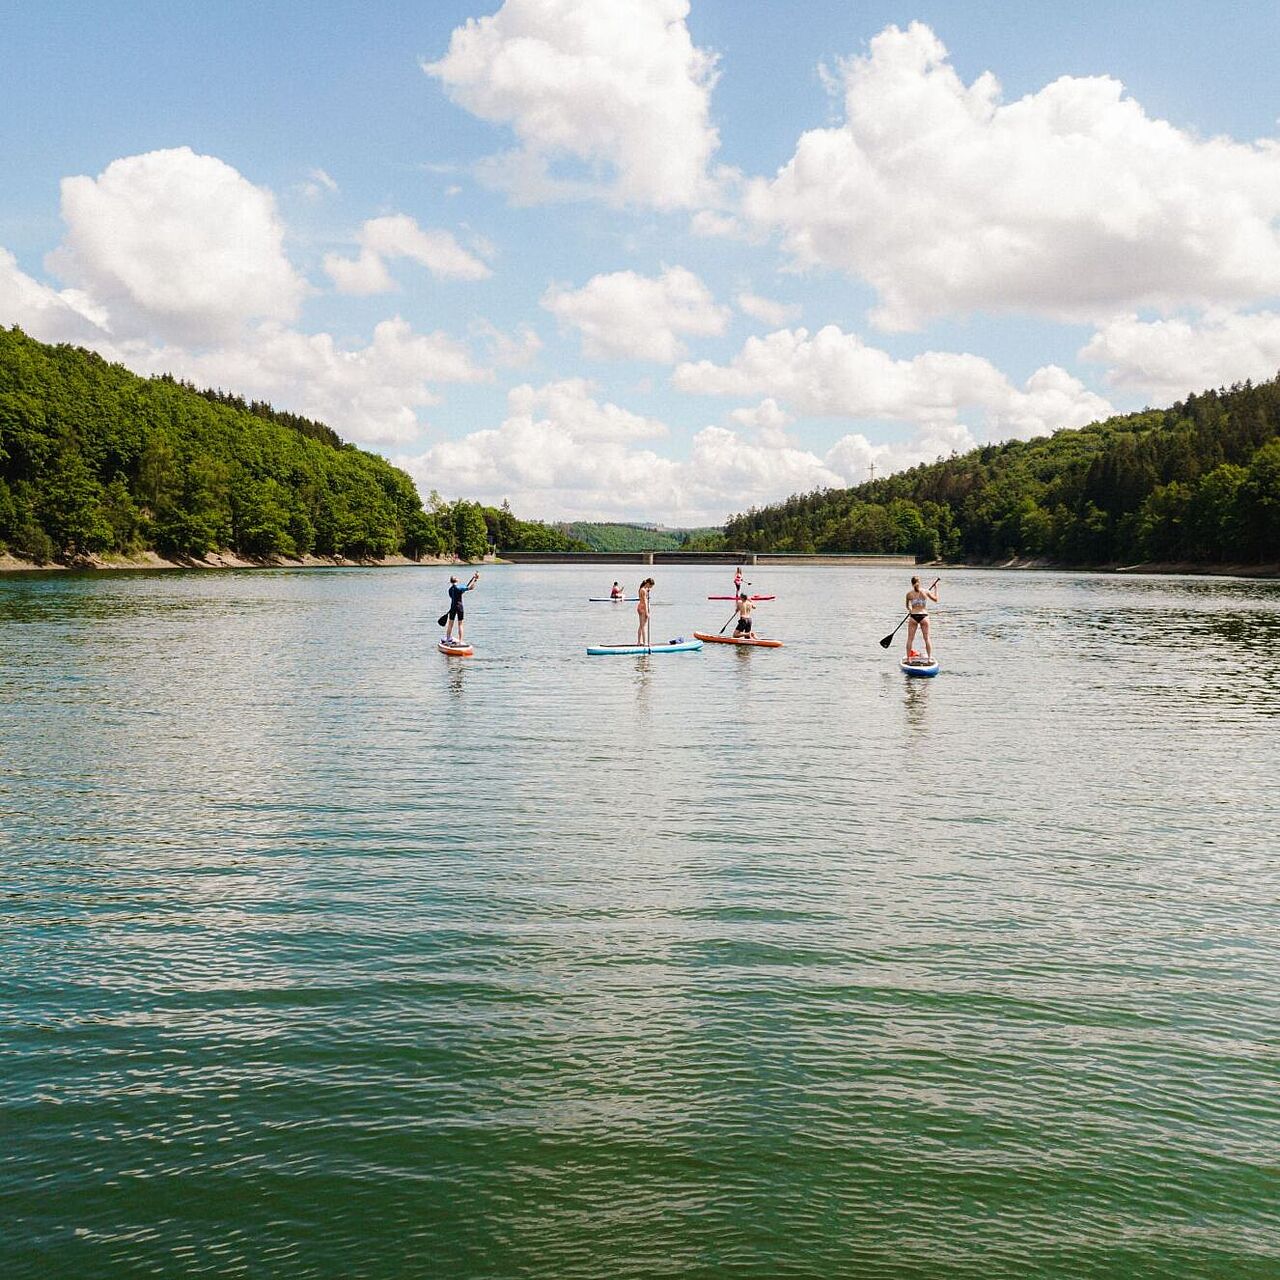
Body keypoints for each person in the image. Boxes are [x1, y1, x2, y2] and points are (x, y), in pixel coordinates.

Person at [904, 575, 938, 661]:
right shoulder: (926, 591)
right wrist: (935, 588)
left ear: (912, 584)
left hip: (913, 616)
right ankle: (929, 658)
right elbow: (936, 599)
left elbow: (908, 607)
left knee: (910, 639)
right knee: (926, 638)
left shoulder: (908, 594)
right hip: (924, 616)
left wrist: (911, 610)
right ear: (920, 582)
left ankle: (908, 659)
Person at [445, 571, 480, 643]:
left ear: (451, 582)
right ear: (457, 580)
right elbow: (470, 587)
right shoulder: (460, 587)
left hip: (453, 608)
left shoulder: (450, 590)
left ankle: (448, 639)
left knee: (450, 624)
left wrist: (473, 578)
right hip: (460, 607)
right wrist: (476, 580)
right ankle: (460, 641)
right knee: (460, 624)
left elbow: (456, 595)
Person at [636, 577, 655, 646]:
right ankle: (644, 642)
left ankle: (639, 642)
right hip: (643, 608)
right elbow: (644, 602)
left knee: (641, 626)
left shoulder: (644, 589)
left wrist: (648, 590)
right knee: (643, 626)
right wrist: (647, 612)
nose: (651, 587)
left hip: (641, 607)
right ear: (647, 583)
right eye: (650, 586)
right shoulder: (643, 590)